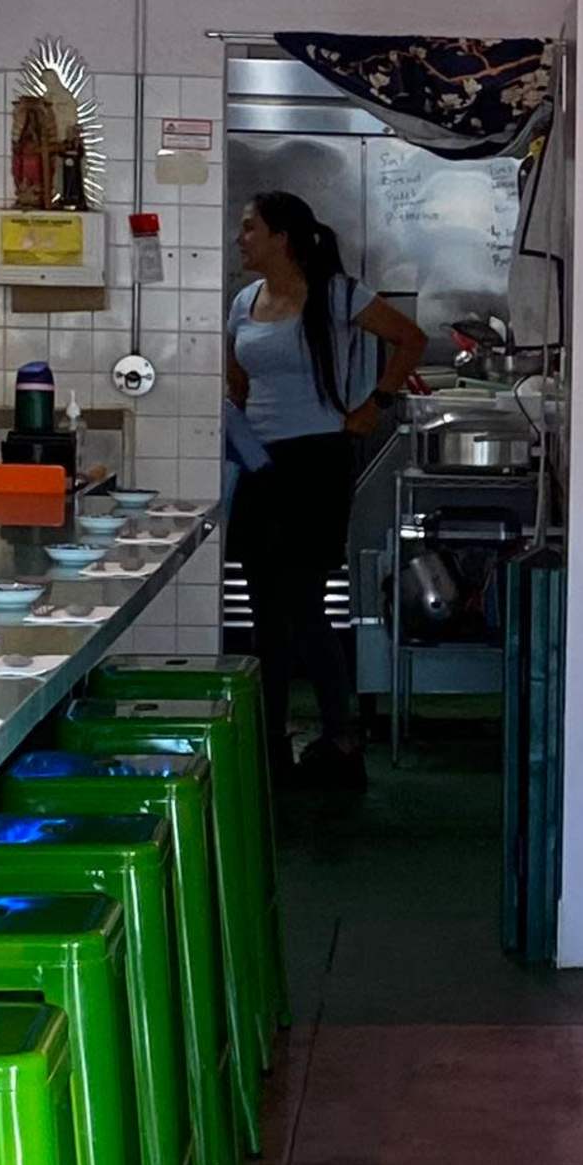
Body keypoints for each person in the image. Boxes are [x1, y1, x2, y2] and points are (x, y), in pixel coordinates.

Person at [223, 189, 421, 784]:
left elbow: (410, 338)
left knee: (306, 606)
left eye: (250, 228)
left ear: (283, 237)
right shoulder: (243, 302)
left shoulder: (336, 293)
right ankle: (272, 738)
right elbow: (238, 380)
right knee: (265, 611)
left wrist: (375, 403)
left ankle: (341, 741)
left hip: (317, 463)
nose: (241, 238)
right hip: (260, 465)